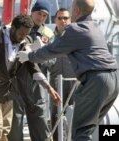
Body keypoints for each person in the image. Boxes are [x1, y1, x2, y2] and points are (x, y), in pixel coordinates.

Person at [17, 0, 119, 140]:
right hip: (114, 78)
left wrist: (29, 56)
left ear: (76, 10)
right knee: (92, 127)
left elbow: (52, 50)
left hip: (95, 80)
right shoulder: (95, 27)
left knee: (80, 131)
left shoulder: (74, 29)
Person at [0, 14, 60, 141]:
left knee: (6, 129)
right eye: (21, 34)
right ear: (13, 28)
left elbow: (32, 67)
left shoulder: (25, 41)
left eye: (26, 34)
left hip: (9, 91)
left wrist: (49, 88)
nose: (23, 38)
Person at [8, 1, 56, 141]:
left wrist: (40, 55)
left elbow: (52, 61)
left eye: (44, 15)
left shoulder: (48, 34)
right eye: (38, 13)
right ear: (32, 12)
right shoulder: (17, 27)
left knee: (39, 120)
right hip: (17, 80)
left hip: (37, 82)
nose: (40, 17)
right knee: (15, 121)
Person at [48, 8, 76, 141]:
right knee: (55, 116)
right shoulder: (49, 38)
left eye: (65, 18)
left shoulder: (77, 37)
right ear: (55, 20)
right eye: (60, 18)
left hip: (74, 82)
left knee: (75, 115)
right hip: (55, 83)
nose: (63, 21)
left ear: (70, 20)